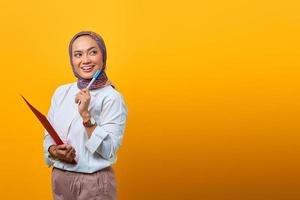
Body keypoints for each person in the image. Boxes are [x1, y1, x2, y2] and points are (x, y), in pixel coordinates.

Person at [43, 31, 128, 200]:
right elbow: (48, 136)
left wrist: (86, 116)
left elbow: (108, 150)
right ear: (72, 60)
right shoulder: (61, 92)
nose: (86, 60)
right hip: (60, 179)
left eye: (93, 52)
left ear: (103, 56)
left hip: (94, 183)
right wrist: (53, 151)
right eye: (78, 54)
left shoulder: (112, 98)